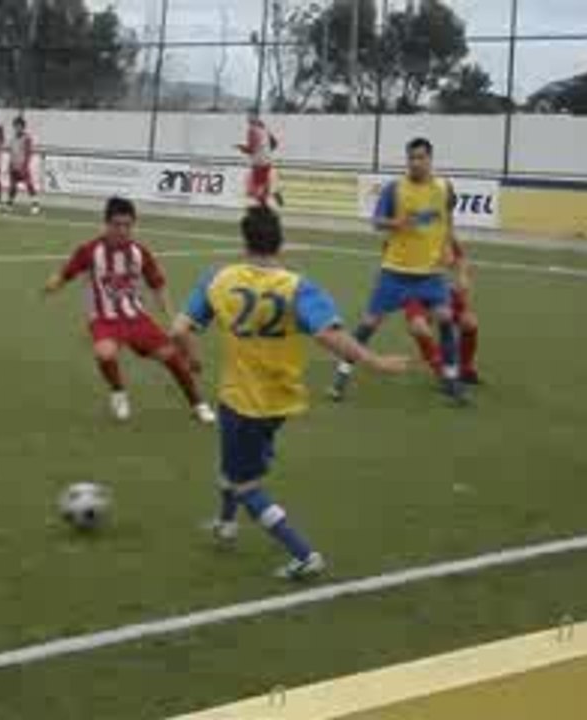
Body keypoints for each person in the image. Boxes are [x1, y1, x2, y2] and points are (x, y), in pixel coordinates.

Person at [171, 206, 409, 580]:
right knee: (234, 464)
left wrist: (194, 359)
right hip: (281, 399)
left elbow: (179, 329)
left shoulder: (218, 279)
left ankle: (303, 553)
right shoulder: (299, 286)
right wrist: (375, 361)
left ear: (244, 240)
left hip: (241, 399)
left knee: (244, 483)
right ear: (279, 241)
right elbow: (329, 335)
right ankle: (225, 524)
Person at [45, 197, 215, 425]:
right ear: (106, 224)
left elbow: (157, 285)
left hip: (136, 318)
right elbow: (66, 273)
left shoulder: (139, 252)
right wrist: (53, 284)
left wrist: (170, 315)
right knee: (105, 353)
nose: (123, 231)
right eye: (117, 225)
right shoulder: (89, 251)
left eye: (128, 225)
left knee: (171, 357)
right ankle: (118, 393)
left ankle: (198, 404)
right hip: (104, 319)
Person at [329, 137, 467, 405]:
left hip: (430, 274)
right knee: (368, 326)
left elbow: (448, 221)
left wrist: (450, 249)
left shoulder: (444, 188)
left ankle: (452, 380)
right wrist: (396, 222)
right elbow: (376, 222)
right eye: (411, 158)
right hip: (395, 272)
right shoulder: (395, 189)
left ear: (430, 159)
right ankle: (341, 377)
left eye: (421, 157)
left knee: (447, 319)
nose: (416, 163)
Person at [403, 237, 481, 384]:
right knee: (419, 328)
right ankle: (442, 371)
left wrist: (463, 276)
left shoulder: (443, 231)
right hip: (413, 291)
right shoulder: (405, 236)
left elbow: (460, 259)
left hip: (440, 289)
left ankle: (465, 369)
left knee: (470, 323)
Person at [236, 110, 282, 207]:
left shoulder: (252, 130)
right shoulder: (264, 128)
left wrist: (241, 148)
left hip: (258, 162)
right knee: (263, 185)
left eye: (248, 117)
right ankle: (272, 192)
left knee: (255, 189)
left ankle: (266, 201)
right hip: (267, 160)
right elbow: (275, 143)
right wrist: (266, 150)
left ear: (252, 118)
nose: (247, 119)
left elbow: (251, 149)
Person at [7, 116, 40, 215]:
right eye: (16, 126)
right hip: (14, 165)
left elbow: (28, 152)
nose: (17, 128)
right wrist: (10, 164)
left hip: (23, 166)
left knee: (29, 185)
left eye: (19, 126)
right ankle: (10, 204)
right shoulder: (12, 139)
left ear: (23, 127)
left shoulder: (27, 138)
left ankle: (35, 204)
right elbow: (11, 152)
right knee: (13, 186)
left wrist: (25, 165)